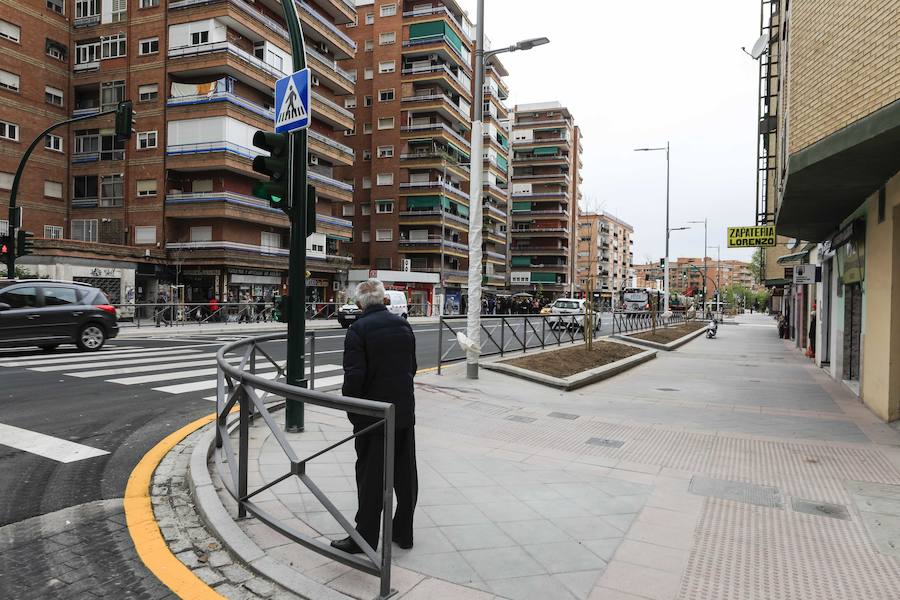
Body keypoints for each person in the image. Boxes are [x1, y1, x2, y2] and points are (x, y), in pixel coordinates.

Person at [331, 279, 418, 555]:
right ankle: (403, 532)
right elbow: (412, 367)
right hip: (403, 412)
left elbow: (353, 378)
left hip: (373, 417)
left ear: (358, 304)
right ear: (385, 301)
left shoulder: (358, 330)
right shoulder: (403, 325)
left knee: (370, 479)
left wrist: (354, 415)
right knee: (405, 475)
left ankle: (365, 538)